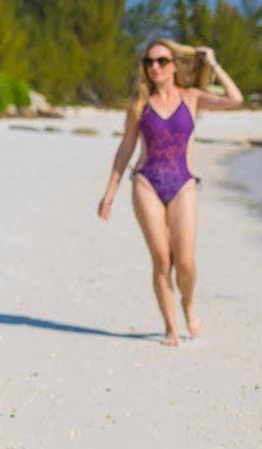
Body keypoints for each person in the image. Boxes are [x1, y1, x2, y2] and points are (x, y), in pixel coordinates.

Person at [96, 40, 244, 345]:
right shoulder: (139, 104)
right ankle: (171, 328)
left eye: (162, 61)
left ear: (174, 65)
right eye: (149, 61)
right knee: (162, 259)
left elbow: (235, 99)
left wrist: (213, 64)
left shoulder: (192, 98)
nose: (155, 67)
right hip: (147, 182)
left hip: (183, 183)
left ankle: (188, 306)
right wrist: (110, 192)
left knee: (186, 261)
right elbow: (125, 148)